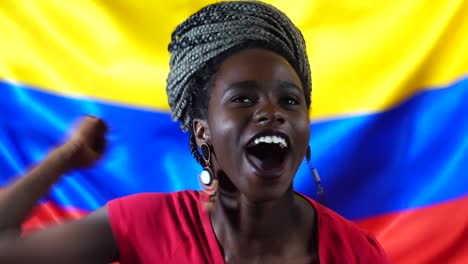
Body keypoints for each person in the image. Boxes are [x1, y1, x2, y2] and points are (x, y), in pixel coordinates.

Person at [0, 1, 390, 263]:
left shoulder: (356, 251)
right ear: (203, 132)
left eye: (290, 101)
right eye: (244, 99)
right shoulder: (149, 223)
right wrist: (65, 157)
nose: (271, 112)